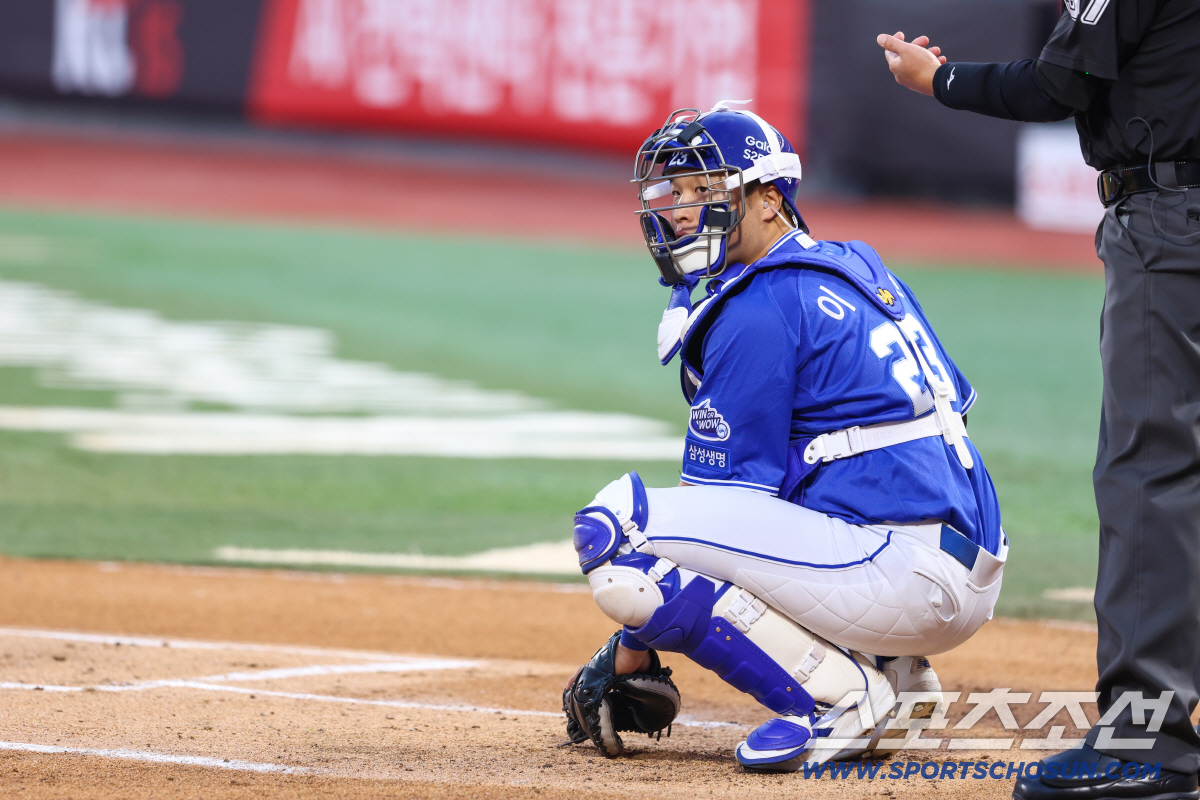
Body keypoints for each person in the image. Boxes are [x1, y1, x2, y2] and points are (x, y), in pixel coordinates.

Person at [560, 104, 1007, 771]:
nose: (680, 210)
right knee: (798, 493)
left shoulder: (761, 306)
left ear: (770, 199)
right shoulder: (855, 268)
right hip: (963, 561)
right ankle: (902, 680)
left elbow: (717, 515)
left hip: (900, 571)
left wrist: (631, 646)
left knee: (617, 532)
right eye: (675, 193)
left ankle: (838, 697)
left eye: (703, 190)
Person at [878, 3, 1200, 796]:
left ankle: (1145, 740)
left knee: (1151, 474)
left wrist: (940, 80)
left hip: (1173, 220)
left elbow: (1059, 84)